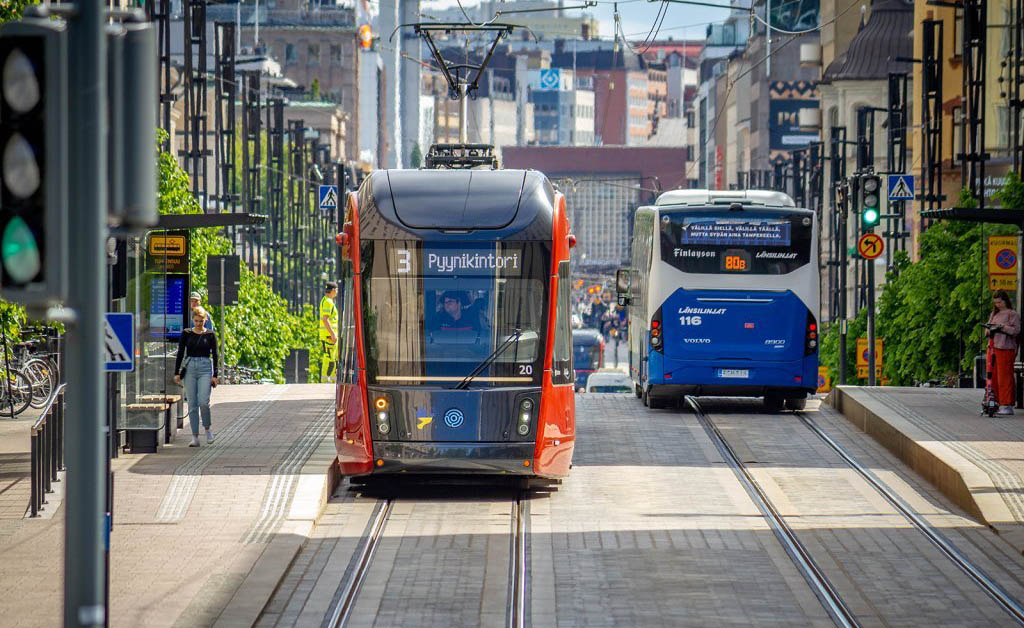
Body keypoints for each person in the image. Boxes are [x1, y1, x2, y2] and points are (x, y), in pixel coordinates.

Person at [174, 306, 219, 446]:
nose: (198, 324)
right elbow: (181, 352)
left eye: (201, 321)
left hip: (205, 367)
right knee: (192, 404)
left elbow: (215, 355)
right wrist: (177, 372)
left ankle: (207, 429)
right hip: (190, 367)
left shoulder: (210, 335)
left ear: (205, 320)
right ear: (193, 320)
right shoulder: (186, 333)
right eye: (196, 321)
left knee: (203, 402)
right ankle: (195, 437)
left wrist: (215, 375)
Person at [986, 290, 1021, 416]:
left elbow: (1016, 331)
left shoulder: (1012, 314)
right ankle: (993, 401)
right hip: (993, 347)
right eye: (995, 303)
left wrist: (1002, 327)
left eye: (999, 302)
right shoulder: (994, 314)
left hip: (1006, 348)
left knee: (1004, 377)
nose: (997, 305)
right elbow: (988, 330)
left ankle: (1006, 404)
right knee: (992, 376)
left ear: (1005, 301)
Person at [319, 282, 339, 383]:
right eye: (337, 290)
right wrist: (332, 334)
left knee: (332, 358)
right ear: (333, 290)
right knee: (329, 358)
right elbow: (325, 319)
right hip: (329, 336)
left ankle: (330, 380)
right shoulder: (328, 302)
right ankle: (326, 380)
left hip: (328, 335)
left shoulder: (326, 300)